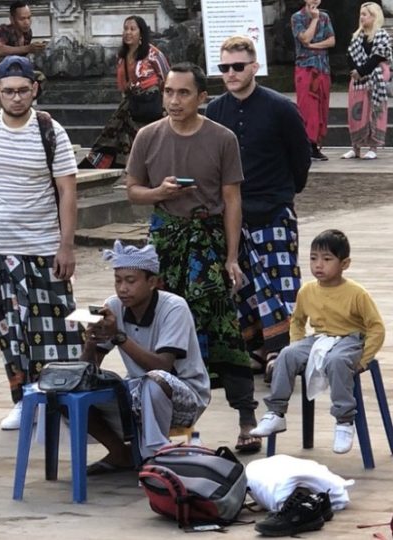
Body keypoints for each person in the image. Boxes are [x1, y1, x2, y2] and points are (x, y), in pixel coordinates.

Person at [125, 63, 260, 453]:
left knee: (222, 327)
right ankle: (179, 433)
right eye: (168, 92)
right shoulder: (148, 136)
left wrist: (232, 257)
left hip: (207, 241)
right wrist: (158, 194)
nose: (173, 100)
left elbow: (232, 199)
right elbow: (133, 189)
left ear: (202, 97)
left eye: (183, 93)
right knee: (165, 330)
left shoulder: (222, 138)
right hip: (165, 241)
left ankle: (246, 417)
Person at [0, 55, 81, 430]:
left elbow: (68, 191)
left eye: (24, 91)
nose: (17, 98)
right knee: (11, 329)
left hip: (43, 243)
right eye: (9, 91)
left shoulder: (50, 130)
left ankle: (60, 399)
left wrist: (67, 244)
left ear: (35, 90)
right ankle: (23, 399)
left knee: (57, 327)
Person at [205, 36, 311, 381]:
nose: (231, 73)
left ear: (254, 67)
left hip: (273, 209)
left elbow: (301, 158)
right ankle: (254, 350)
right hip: (233, 214)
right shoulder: (216, 110)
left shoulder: (280, 107)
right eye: (224, 67)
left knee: (281, 287)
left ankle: (282, 353)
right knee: (243, 288)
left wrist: (283, 193)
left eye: (238, 66)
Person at [251, 229, 385, 454]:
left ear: (345, 264)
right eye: (313, 258)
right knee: (286, 355)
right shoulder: (307, 291)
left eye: (327, 259)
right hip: (320, 338)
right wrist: (296, 344)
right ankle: (276, 412)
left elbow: (376, 328)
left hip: (350, 339)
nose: (318, 265)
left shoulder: (356, 293)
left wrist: (364, 359)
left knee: (337, 361)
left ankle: (344, 420)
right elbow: (297, 321)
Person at [82, 241, 211, 470]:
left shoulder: (174, 307)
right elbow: (88, 369)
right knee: (71, 390)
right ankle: (121, 452)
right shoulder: (113, 305)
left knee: (154, 381)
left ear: (152, 282)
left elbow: (162, 365)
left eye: (131, 281)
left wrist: (119, 336)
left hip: (183, 395)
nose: (122, 288)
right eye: (118, 280)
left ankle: (155, 456)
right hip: (138, 393)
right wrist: (90, 342)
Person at [81, 16, 169, 169]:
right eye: (125, 29)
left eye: (132, 29)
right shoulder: (121, 57)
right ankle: (99, 165)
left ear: (141, 33)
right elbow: (122, 86)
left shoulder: (154, 54)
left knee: (148, 143)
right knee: (112, 134)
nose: (128, 32)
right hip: (130, 105)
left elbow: (168, 78)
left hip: (152, 107)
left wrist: (166, 107)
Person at [342, 2, 391, 160]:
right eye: (361, 14)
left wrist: (362, 71)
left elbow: (378, 57)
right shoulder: (357, 36)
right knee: (355, 112)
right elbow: (350, 56)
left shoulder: (381, 35)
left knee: (374, 112)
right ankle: (355, 147)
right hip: (357, 81)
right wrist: (355, 71)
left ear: (374, 16)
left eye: (365, 14)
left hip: (375, 79)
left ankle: (373, 147)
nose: (361, 17)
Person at [292, 0, 336, 161]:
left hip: (322, 67)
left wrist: (314, 46)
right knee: (308, 107)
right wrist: (314, 19)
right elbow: (304, 38)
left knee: (321, 107)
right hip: (306, 67)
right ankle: (308, 145)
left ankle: (316, 144)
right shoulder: (297, 17)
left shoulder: (325, 16)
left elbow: (332, 41)